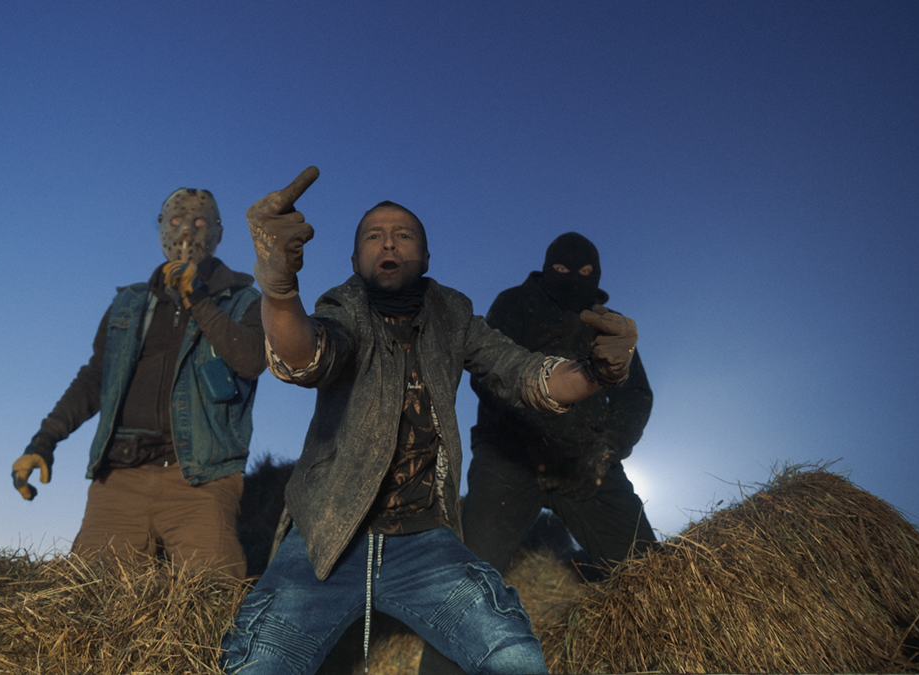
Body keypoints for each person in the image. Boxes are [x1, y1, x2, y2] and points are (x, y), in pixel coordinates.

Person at [219, 167, 639, 675]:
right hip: (327, 535)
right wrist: (279, 286)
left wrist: (596, 371)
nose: (388, 242)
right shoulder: (344, 305)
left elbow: (524, 374)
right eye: (373, 236)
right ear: (355, 260)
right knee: (261, 663)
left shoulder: (453, 314)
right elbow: (305, 356)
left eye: (403, 235)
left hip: (424, 542)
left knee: (512, 653)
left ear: (425, 257)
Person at [417, 232, 657, 674]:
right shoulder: (514, 303)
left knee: (649, 572)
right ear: (547, 268)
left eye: (584, 272)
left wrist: (607, 450)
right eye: (562, 270)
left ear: (597, 275)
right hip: (509, 460)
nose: (572, 278)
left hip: (583, 464)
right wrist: (534, 435)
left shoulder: (607, 324)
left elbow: (636, 395)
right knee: (469, 582)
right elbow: (489, 373)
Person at [10, 187, 265, 579]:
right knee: (89, 596)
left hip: (201, 477)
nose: (186, 232)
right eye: (175, 221)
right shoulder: (128, 304)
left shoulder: (245, 300)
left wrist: (198, 301)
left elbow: (251, 360)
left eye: (200, 222)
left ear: (218, 232)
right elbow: (95, 379)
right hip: (120, 477)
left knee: (214, 599)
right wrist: (43, 442)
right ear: (160, 228)